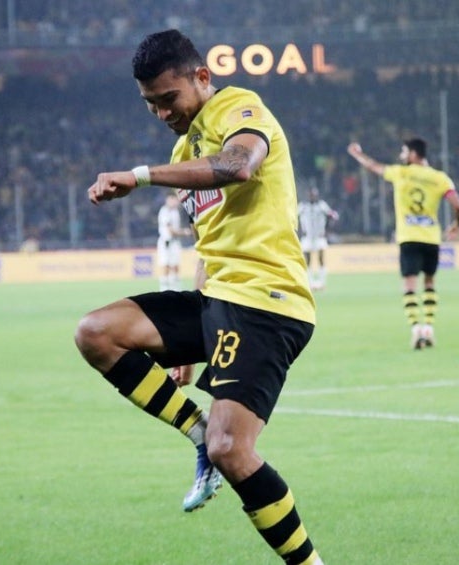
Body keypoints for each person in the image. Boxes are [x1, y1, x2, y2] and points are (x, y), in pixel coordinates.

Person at [75, 30, 324, 565]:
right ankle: (195, 430)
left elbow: (239, 165)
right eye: (151, 104)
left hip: (266, 301)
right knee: (97, 333)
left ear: (202, 78)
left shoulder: (238, 108)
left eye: (169, 98)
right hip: (218, 301)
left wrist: (140, 177)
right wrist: (197, 333)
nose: (162, 113)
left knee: (231, 450)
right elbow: (209, 245)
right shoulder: (182, 149)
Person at [347, 138, 459, 350]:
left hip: (408, 238)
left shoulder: (401, 173)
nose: (401, 156)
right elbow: (458, 204)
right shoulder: (440, 178)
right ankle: (428, 328)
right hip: (431, 238)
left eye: (404, 152)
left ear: (413, 154)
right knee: (429, 282)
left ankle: (416, 329)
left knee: (409, 285)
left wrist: (357, 154)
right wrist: (456, 224)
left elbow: (374, 167)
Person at [298, 187, 339, 291]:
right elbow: (294, 217)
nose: (312, 197)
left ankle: (322, 282)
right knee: (307, 260)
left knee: (321, 258)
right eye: (311, 195)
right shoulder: (303, 206)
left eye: (314, 195)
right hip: (307, 237)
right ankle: (310, 283)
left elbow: (333, 216)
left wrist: (328, 230)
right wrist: (300, 230)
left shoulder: (322, 206)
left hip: (319, 237)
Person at [156, 193, 189, 291]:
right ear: (168, 200)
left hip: (175, 241)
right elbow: (170, 230)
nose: (175, 202)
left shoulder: (175, 211)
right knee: (165, 265)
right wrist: (184, 232)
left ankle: (175, 288)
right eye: (173, 200)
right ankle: (164, 288)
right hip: (166, 242)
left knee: (175, 264)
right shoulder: (164, 211)